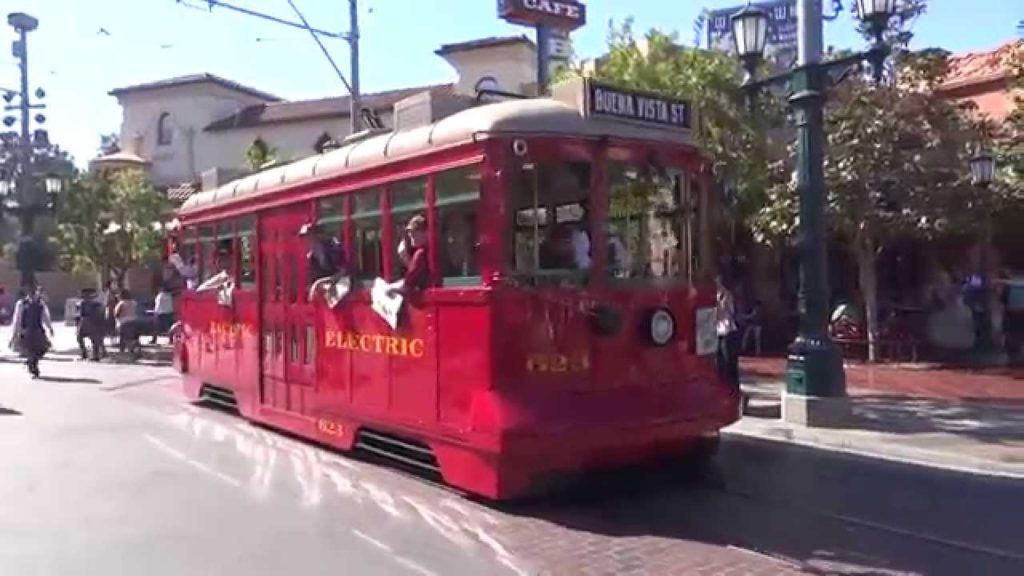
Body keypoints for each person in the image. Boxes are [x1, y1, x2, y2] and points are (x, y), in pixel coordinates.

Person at [9, 285, 54, 378]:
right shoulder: (21, 303)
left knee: (41, 349)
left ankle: (31, 363)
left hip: (38, 330)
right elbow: (17, 318)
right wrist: (15, 333)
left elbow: (45, 317)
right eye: (32, 292)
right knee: (30, 351)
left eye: (35, 292)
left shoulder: (41, 304)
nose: (34, 294)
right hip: (26, 331)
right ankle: (33, 368)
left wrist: (50, 328)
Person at [715, 275, 740, 390]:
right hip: (717, 330)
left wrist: (724, 306)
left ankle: (733, 385)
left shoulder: (727, 295)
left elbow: (731, 311)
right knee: (719, 360)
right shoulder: (714, 296)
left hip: (727, 330)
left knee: (729, 359)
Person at [395, 214, 429, 292]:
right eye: (410, 232)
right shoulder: (423, 252)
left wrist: (389, 289)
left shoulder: (420, 254)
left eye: (415, 231)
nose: (410, 235)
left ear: (425, 233)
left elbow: (408, 283)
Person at [77, 288, 106, 361]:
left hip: (86, 322)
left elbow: (81, 314)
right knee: (94, 339)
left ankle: (85, 354)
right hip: (95, 322)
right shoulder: (98, 304)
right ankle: (95, 355)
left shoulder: (83, 303)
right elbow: (102, 313)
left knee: (80, 338)